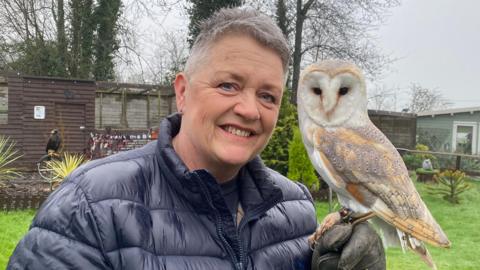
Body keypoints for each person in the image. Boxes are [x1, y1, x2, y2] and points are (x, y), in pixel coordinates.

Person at [8, 8, 383, 270]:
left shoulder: (296, 211)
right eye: (227, 85)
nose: (250, 110)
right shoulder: (90, 208)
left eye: (268, 96)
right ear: (183, 92)